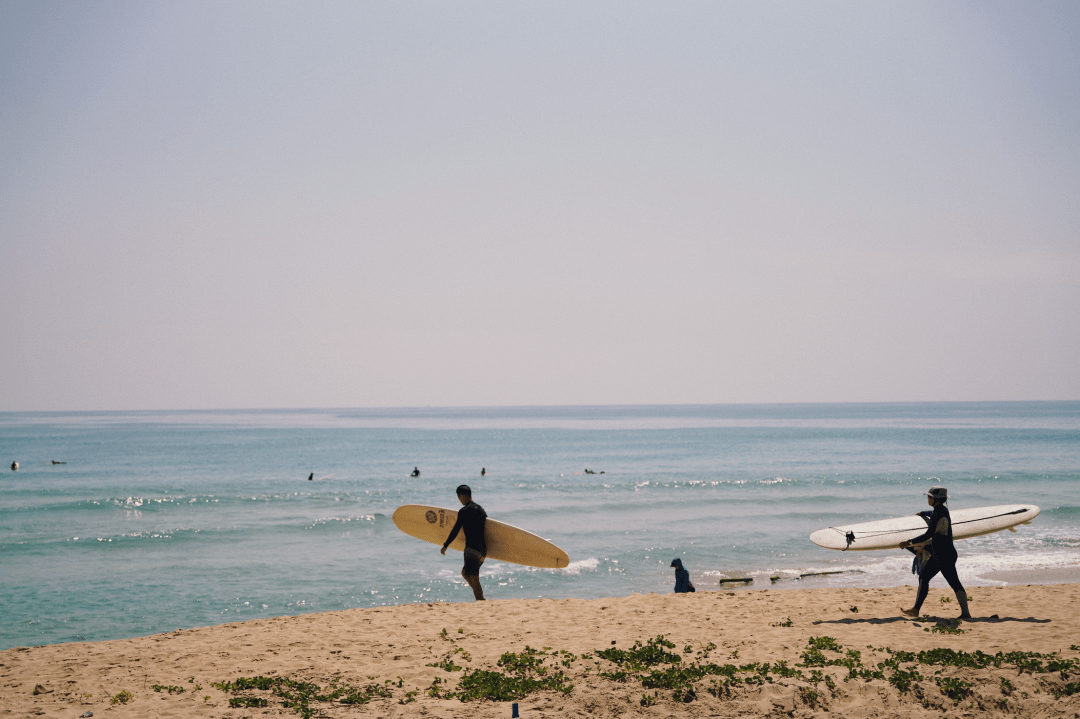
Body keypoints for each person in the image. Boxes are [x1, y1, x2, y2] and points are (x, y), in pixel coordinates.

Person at [899, 486, 970, 619]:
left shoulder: (939, 514)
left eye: (929, 497)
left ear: (934, 499)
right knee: (924, 577)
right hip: (940, 555)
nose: (927, 499)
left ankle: (966, 613)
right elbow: (933, 514)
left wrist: (908, 542)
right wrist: (924, 513)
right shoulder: (942, 510)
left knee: (954, 583)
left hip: (945, 556)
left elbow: (928, 535)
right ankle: (915, 610)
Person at [441, 484, 487, 601]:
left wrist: (446, 545)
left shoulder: (464, 511)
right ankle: (481, 597)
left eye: (458, 497)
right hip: (483, 550)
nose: (459, 500)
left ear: (461, 496)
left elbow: (455, 530)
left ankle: (481, 600)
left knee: (473, 577)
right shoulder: (481, 510)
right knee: (465, 573)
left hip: (471, 549)